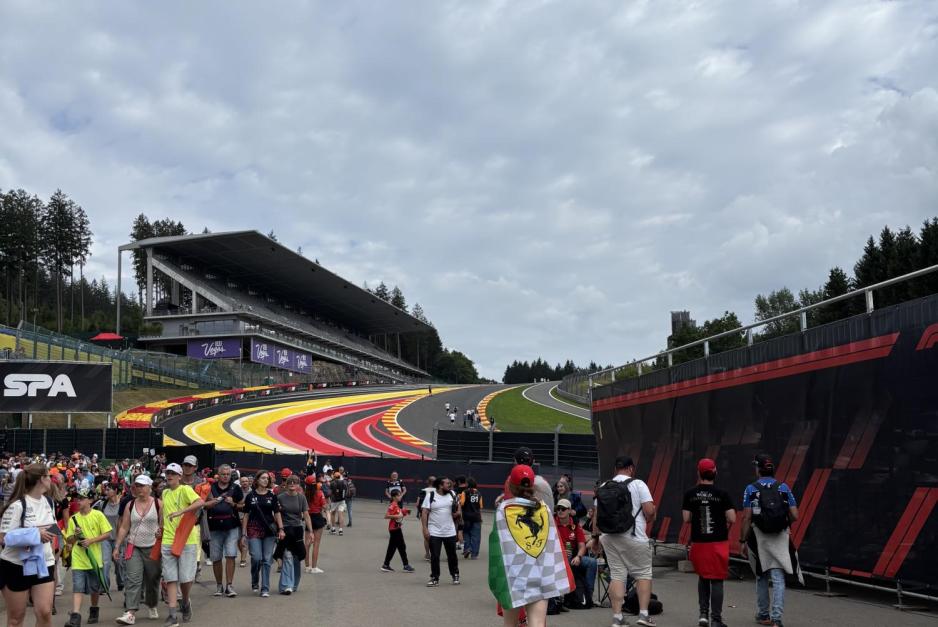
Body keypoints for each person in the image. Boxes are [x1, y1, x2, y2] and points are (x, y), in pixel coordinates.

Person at [590, 455, 656, 627]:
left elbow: (596, 516)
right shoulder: (638, 484)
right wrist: (652, 516)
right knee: (643, 574)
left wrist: (595, 539)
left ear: (615, 469)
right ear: (631, 469)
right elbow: (649, 510)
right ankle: (643, 614)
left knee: (618, 575)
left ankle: (617, 617)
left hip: (609, 538)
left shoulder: (604, 486)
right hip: (634, 536)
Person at [739, 454, 800, 627]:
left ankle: (763, 614)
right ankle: (777, 619)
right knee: (778, 577)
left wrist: (742, 540)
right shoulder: (783, 488)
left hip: (759, 537)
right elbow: (795, 514)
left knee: (761, 575)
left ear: (758, 469)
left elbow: (747, 517)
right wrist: (782, 522)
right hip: (780, 536)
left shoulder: (751, 489)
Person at [0, 463, 56, 627]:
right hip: (16, 565)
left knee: (45, 612)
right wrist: (34, 534)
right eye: (48, 476)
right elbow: (3, 537)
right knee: (16, 619)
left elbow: (52, 526)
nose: (50, 480)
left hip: (44, 562)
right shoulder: (17, 505)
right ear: (41, 479)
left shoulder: (48, 501)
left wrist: (52, 535)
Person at [683, 458, 736, 627]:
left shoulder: (690, 494)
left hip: (699, 542)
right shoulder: (722, 494)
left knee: (703, 577)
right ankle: (716, 620)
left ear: (698, 473)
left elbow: (686, 519)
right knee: (717, 580)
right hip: (718, 542)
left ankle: (703, 615)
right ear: (715, 473)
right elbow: (732, 518)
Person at [160, 463, 205, 627]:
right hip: (167, 540)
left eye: (173, 473)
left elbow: (200, 502)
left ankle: (185, 601)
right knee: (170, 578)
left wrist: (181, 512)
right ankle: (172, 615)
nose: (169, 476)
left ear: (179, 476)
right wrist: (160, 528)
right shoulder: (164, 492)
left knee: (186, 579)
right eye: (167, 473)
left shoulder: (185, 489)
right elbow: (163, 513)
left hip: (186, 540)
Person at [113, 475, 161, 625]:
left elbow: (164, 525)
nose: (139, 489)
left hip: (153, 547)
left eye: (142, 486)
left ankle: (152, 604)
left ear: (149, 487)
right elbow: (125, 527)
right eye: (137, 486)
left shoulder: (159, 504)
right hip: (133, 546)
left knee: (152, 579)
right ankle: (130, 612)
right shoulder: (130, 505)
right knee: (133, 579)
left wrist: (162, 532)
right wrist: (117, 546)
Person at [64, 488, 112, 627]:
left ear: (90, 500)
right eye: (78, 498)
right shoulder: (74, 518)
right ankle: (76, 615)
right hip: (79, 559)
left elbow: (107, 533)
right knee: (77, 587)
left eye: (82, 498)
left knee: (94, 588)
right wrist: (75, 536)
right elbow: (69, 540)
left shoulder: (98, 515)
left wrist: (91, 540)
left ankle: (94, 610)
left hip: (94, 559)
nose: (78, 501)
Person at [241, 470, 283, 598]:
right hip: (253, 529)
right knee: (256, 558)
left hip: (269, 531)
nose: (266, 480)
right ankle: (255, 580)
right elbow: (246, 515)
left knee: (266, 559)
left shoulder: (272, 496)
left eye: (267, 478)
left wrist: (281, 528)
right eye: (263, 478)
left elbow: (277, 513)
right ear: (257, 480)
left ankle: (265, 588)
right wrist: (243, 534)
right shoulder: (250, 496)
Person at [206, 464, 244, 597]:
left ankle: (229, 585)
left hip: (231, 526)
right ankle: (218, 586)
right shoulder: (210, 488)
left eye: (228, 474)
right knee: (216, 557)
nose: (226, 476)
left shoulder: (236, 488)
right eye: (223, 474)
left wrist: (233, 503)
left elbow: (243, 506)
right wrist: (211, 502)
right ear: (218, 474)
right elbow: (202, 505)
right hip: (214, 527)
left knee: (231, 555)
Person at [556, 498, 597, 608]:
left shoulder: (575, 526)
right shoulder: (552, 524)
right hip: (556, 557)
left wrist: (579, 556)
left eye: (563, 509)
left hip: (572, 556)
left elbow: (582, 546)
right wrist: (560, 551)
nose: (560, 511)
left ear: (569, 511)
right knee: (567, 561)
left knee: (592, 562)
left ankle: (587, 595)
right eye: (558, 508)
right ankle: (561, 598)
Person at [420, 476, 460, 587]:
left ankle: (455, 575)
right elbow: (424, 512)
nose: (450, 485)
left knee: (452, 555)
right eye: (447, 483)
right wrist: (425, 528)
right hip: (434, 531)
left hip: (450, 531)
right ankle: (434, 578)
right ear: (440, 485)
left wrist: (458, 513)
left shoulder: (452, 494)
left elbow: (458, 506)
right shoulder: (431, 495)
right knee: (435, 556)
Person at [275, 475, 312, 595]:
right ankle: (286, 585)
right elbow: (276, 513)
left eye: (294, 482)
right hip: (285, 530)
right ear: (285, 484)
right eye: (289, 482)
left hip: (297, 530)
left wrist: (310, 531)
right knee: (287, 556)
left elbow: (306, 515)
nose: (292, 484)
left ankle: (294, 583)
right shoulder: (280, 497)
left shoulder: (301, 498)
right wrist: (279, 529)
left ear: (298, 485)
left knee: (297, 557)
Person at [380, 491, 414, 573]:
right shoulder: (393, 505)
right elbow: (386, 516)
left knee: (392, 547)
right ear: (394, 497)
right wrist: (398, 515)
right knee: (402, 547)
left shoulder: (396, 505)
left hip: (396, 528)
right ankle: (406, 565)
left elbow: (399, 512)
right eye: (399, 495)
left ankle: (386, 565)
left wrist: (405, 511)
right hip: (395, 529)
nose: (400, 497)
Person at [303, 476, 326, 574]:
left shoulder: (304, 494)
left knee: (307, 544)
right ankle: (314, 567)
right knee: (316, 544)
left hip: (308, 517)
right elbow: (324, 506)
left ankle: (307, 566)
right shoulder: (320, 493)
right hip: (317, 517)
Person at [459, 477, 483, 559]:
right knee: (476, 536)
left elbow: (461, 503)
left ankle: (467, 549)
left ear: (467, 484)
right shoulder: (479, 493)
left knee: (466, 533)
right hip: (476, 517)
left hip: (466, 517)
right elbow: (480, 506)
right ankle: (474, 554)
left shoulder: (464, 492)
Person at [416, 475, 436, 561]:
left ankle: (428, 554)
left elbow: (417, 504)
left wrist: (420, 512)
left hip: (425, 515)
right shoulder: (438, 491)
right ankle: (435, 553)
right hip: (435, 515)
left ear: (428, 482)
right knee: (435, 534)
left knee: (426, 534)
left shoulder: (423, 491)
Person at [238, 475, 253, 568]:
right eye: (242, 481)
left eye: (246, 481)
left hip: (249, 518)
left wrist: (242, 504)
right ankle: (244, 552)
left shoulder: (253, 492)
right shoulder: (237, 492)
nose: (244, 483)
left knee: (245, 538)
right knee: (238, 540)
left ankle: (243, 559)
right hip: (237, 517)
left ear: (249, 482)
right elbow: (234, 504)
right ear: (240, 482)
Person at [328, 471, 347, 536]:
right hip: (342, 500)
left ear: (334, 477)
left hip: (334, 501)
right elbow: (345, 492)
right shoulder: (344, 483)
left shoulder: (332, 483)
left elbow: (329, 493)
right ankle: (340, 530)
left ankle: (333, 529)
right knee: (340, 514)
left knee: (332, 514)